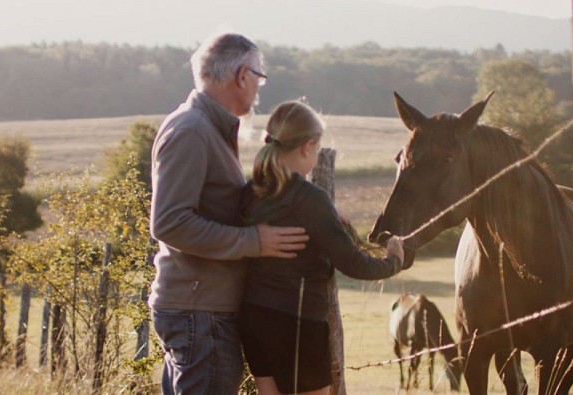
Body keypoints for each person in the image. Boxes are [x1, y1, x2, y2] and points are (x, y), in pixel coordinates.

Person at [149, 32, 310, 394]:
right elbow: (170, 223)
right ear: (241, 75)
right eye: (259, 77)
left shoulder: (208, 128)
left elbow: (223, 202)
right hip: (200, 312)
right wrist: (254, 241)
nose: (259, 87)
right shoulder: (192, 130)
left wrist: (309, 205)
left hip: (200, 308)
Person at [239, 100, 405, 395]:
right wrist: (393, 261)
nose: (315, 157)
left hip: (253, 318)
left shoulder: (250, 191)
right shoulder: (310, 198)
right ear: (307, 146)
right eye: (316, 150)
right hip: (298, 323)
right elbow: (353, 263)